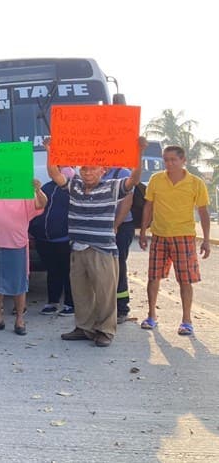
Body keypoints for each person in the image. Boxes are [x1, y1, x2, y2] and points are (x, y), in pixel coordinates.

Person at [47, 137, 146, 347]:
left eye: (92, 169)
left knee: (104, 293)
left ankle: (105, 331)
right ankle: (84, 328)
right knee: (81, 292)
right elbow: (55, 173)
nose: (87, 173)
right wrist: (50, 150)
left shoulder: (112, 187)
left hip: (102, 249)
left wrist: (139, 152)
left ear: (102, 170)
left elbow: (135, 179)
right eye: (84, 169)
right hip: (78, 248)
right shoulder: (74, 186)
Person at [138, 145, 211, 336]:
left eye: (173, 160)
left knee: (185, 280)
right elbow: (148, 206)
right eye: (166, 160)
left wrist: (206, 240)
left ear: (183, 160)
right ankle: (151, 316)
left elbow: (203, 212)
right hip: (159, 236)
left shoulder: (196, 183)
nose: (169, 163)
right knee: (153, 277)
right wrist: (144, 231)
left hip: (184, 237)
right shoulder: (156, 179)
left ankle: (187, 321)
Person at [0, 181, 47, 336]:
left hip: (16, 244)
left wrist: (37, 189)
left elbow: (42, 204)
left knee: (19, 285)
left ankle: (19, 320)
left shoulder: (23, 190)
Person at [29, 169, 75, 317]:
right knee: (52, 271)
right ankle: (52, 302)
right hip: (44, 239)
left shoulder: (75, 189)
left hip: (65, 239)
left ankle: (70, 304)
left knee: (68, 272)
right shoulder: (47, 187)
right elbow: (36, 206)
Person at [101, 166, 135, 323]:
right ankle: (104, 307)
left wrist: (116, 224)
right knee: (102, 267)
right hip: (102, 226)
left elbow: (127, 200)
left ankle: (121, 308)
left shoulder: (122, 173)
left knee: (118, 265)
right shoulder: (97, 172)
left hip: (120, 227)